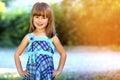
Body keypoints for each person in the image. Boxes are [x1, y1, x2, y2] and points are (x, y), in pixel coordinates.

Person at [14, 2, 66, 80]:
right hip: (32, 74)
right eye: (37, 17)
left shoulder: (52, 37)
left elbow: (63, 54)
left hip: (47, 74)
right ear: (32, 18)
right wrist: (20, 71)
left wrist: (59, 70)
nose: (39, 20)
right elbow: (17, 54)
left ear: (49, 20)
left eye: (43, 18)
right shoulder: (29, 37)